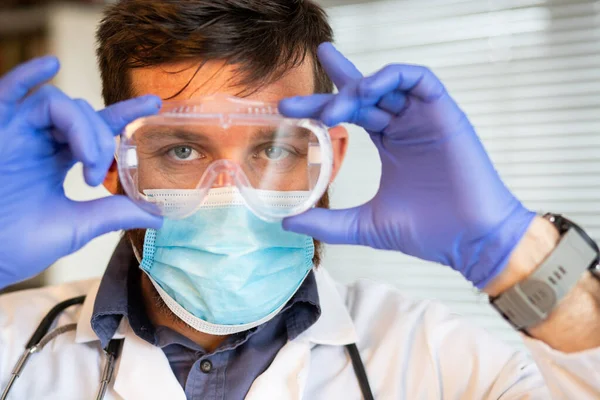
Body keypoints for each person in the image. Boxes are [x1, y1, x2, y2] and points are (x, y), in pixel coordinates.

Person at [0, 1, 599, 399]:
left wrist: (516, 253)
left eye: (276, 148)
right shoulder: (12, 346)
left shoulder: (437, 359)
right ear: (114, 165)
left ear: (330, 158)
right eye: (182, 150)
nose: (230, 196)